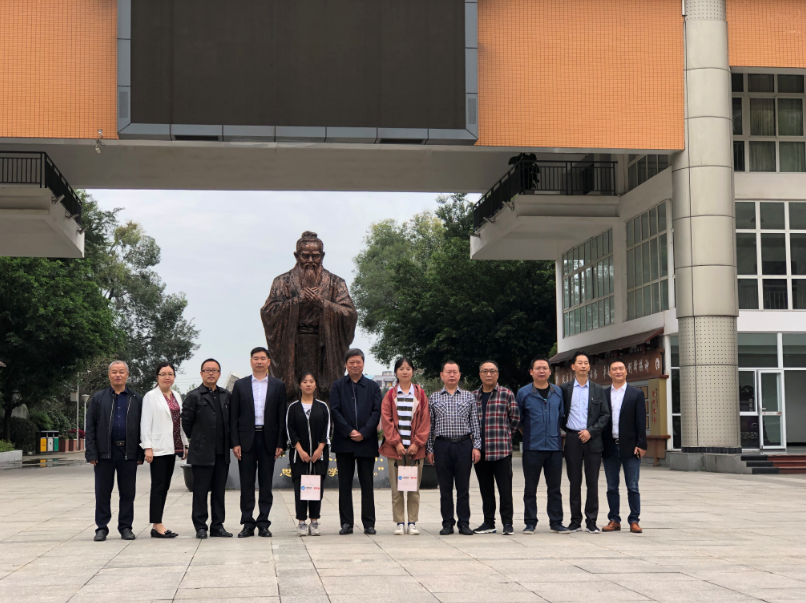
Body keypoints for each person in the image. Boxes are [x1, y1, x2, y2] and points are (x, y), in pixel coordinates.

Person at [260, 231, 358, 401]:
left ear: (322, 256)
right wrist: (297, 301)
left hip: (325, 346)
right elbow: (268, 312)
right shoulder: (282, 282)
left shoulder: (336, 283)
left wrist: (323, 303)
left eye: (315, 256)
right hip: (292, 346)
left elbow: (350, 313)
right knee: (293, 394)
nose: (311, 261)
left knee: (323, 395)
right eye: (305, 256)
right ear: (296, 256)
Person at [231, 347, 288, 538]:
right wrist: (235, 442)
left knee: (265, 484)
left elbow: (281, 416)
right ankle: (247, 523)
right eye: (255, 358)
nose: (259, 361)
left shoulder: (278, 385)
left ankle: (263, 523)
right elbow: (234, 416)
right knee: (246, 484)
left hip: (268, 439)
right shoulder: (240, 385)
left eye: (263, 358)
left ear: (269, 362)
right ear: (250, 362)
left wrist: (281, 442)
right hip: (246, 439)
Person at [85, 360, 144, 541]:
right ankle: (101, 527)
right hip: (105, 452)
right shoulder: (98, 398)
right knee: (102, 492)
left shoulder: (136, 399)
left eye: (121, 372)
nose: (118, 375)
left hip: (128, 452)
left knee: (128, 492)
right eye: (114, 372)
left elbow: (143, 427)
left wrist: (140, 452)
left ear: (127, 375)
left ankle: (125, 527)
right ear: (109, 375)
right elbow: (90, 427)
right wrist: (91, 452)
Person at [330, 348, 382, 535]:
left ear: (363, 364)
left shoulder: (373, 387)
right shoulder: (338, 386)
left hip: (366, 442)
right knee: (344, 484)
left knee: (367, 483)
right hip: (344, 441)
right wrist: (349, 431)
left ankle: (369, 523)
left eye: (358, 362)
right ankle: (346, 523)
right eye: (351, 362)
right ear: (346, 364)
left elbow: (377, 411)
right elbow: (335, 410)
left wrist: (364, 432)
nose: (354, 365)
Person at [426, 361, 481, 536]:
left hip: (464, 445)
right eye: (448, 372)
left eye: (455, 372)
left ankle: (464, 523)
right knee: (445, 488)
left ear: (459, 375)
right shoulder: (434, 398)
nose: (451, 375)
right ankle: (447, 523)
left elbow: (475, 424)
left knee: (463, 488)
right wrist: (429, 449)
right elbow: (429, 426)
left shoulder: (468, 397)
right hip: (442, 445)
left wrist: (476, 447)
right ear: (441, 375)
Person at [181, 358, 233, 539]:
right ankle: (200, 526)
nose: (211, 373)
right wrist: (198, 438)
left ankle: (218, 526)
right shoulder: (194, 396)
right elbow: (186, 423)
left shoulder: (226, 395)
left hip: (221, 452)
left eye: (214, 370)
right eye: (207, 370)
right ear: (201, 373)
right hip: (201, 452)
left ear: (219, 374)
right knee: (200, 491)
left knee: (219, 492)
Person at [516, 357, 569, 534]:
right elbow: (519, 420)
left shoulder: (557, 392)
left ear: (549, 371)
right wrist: (531, 435)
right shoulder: (523, 393)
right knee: (530, 488)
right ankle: (530, 522)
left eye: (544, 368)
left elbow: (560, 416)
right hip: (532, 448)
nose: (541, 371)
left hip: (554, 448)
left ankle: (556, 521)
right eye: (538, 368)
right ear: (531, 371)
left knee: (555, 488)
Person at [560, 351, 610, 534]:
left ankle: (591, 520)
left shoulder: (597, 389)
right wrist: (571, 431)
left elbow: (605, 415)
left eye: (586, 363)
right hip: (573, 439)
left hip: (592, 440)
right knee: (574, 482)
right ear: (573, 366)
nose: (583, 365)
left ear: (589, 367)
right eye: (579, 363)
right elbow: (560, 414)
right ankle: (575, 521)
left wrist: (591, 431)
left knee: (592, 482)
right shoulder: (565, 389)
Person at [379, 357, 430, 536]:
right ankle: (400, 522)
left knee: (414, 489)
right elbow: (387, 421)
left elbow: (425, 421)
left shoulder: (420, 394)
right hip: (396, 451)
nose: (405, 371)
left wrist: (417, 443)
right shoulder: (390, 395)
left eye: (408, 368)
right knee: (397, 489)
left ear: (413, 371)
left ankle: (412, 522)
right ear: (396, 372)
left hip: (416, 451)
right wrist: (396, 443)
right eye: (401, 368)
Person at [471, 360, 520, 535]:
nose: (489, 374)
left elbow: (515, 419)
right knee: (486, 490)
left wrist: (505, 436)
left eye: (492, 371)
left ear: (497, 374)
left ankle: (507, 523)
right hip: (480, 452)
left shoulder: (506, 394)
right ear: (480, 374)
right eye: (485, 371)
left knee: (505, 490)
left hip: (501, 450)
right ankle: (488, 522)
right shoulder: (473, 396)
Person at [141, 362, 188, 538]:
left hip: (173, 446)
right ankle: (157, 524)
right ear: (157, 377)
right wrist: (147, 447)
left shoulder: (176, 395)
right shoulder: (151, 396)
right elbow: (145, 423)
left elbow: (180, 423)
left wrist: (185, 444)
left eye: (170, 374)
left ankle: (157, 524)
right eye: (163, 374)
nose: (167, 377)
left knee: (165, 486)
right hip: (158, 448)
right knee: (158, 486)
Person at [602, 358, 647, 534]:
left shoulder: (636, 394)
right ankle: (614, 520)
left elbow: (641, 420)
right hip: (610, 446)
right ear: (609, 373)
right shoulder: (604, 394)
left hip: (631, 447)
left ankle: (634, 520)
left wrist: (641, 444)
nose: (618, 371)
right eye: (614, 369)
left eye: (621, 368)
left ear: (626, 371)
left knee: (633, 486)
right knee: (611, 487)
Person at [286, 372, 330, 537]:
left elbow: (327, 429)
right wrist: (300, 450)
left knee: (316, 488)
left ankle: (314, 522)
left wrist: (319, 449)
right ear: (299, 385)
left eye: (311, 381)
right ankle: (302, 522)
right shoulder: (293, 407)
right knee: (300, 489)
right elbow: (290, 430)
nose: (308, 384)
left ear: (315, 385)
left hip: (319, 456)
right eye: (305, 381)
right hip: (299, 457)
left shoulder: (322, 406)